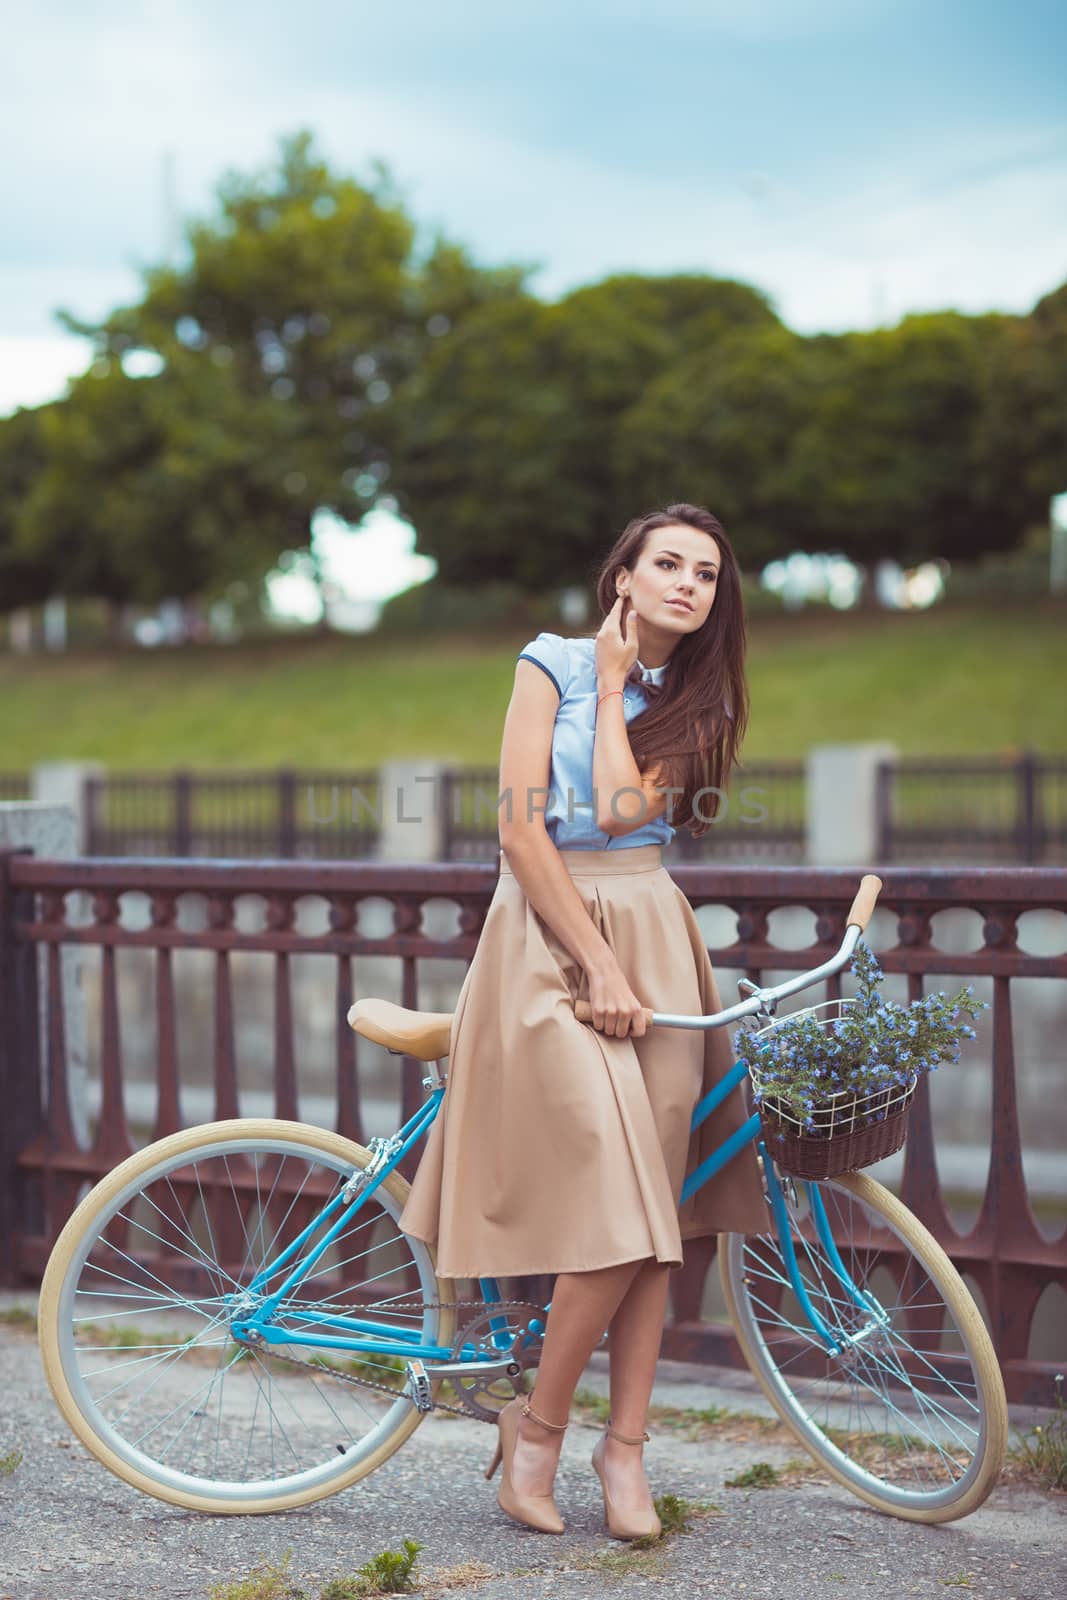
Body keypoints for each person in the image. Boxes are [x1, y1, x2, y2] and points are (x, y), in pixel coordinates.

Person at [399, 502, 767, 1539]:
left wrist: (615, 692)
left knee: (655, 1218)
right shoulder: (545, 661)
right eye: (666, 563)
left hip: (651, 927)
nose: (686, 583)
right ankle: (540, 1428)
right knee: (618, 1193)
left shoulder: (697, 702)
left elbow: (615, 809)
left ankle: (625, 1451)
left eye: (704, 572)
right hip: (541, 939)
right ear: (624, 573)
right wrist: (589, 960)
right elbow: (523, 831)